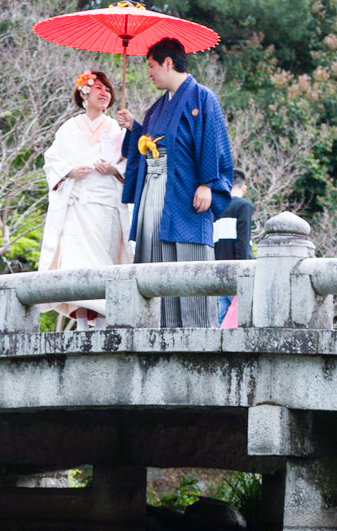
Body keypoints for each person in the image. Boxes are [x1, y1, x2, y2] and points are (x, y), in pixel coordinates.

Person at [116, 38, 233, 327]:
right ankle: (158, 331)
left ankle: (197, 337)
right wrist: (135, 128)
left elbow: (214, 143)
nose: (150, 73)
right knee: (155, 259)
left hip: (185, 192)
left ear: (168, 63)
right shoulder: (156, 109)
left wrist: (209, 183)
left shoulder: (203, 98)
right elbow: (152, 141)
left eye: (152, 66)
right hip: (155, 192)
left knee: (188, 261)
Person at [39, 70, 131, 330]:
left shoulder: (116, 127)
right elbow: (52, 162)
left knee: (105, 263)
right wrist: (70, 172)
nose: (105, 94)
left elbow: (128, 164)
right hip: (78, 204)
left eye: (108, 90)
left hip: (106, 204)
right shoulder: (68, 128)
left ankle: (102, 321)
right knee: (78, 263)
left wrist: (113, 170)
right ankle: (81, 321)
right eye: (99, 88)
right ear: (84, 92)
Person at [213, 167, 253, 326]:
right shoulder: (244, 206)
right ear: (244, 188)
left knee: (220, 321)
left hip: (216, 271)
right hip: (237, 272)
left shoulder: (215, 206)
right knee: (241, 321)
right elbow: (243, 242)